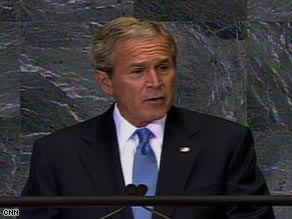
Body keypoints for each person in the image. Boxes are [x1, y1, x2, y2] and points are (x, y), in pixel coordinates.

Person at [19, 17, 275, 219]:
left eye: (163, 68)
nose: (155, 82)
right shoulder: (58, 153)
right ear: (106, 81)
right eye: (138, 71)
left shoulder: (225, 142)